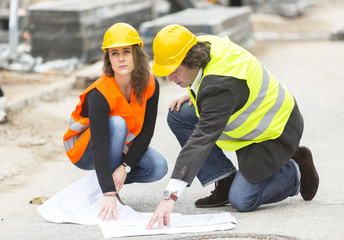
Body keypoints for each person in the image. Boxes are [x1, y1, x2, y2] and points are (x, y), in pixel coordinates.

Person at [146, 24, 319, 229]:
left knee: (243, 200)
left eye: (174, 71)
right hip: (247, 116)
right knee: (180, 115)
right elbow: (212, 84)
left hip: (274, 131)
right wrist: (195, 92)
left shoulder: (219, 88)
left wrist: (170, 196)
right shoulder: (198, 44)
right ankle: (224, 179)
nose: (170, 78)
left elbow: (201, 140)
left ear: (191, 60)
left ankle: (294, 169)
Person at [63, 23, 168, 221]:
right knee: (117, 123)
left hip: (118, 149)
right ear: (108, 58)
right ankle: (105, 189)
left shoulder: (149, 84)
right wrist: (109, 193)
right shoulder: (100, 93)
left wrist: (125, 167)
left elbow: (146, 133)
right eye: (114, 53)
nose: (120, 58)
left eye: (126, 52)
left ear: (136, 54)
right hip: (85, 151)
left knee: (158, 167)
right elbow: (99, 144)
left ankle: (102, 182)